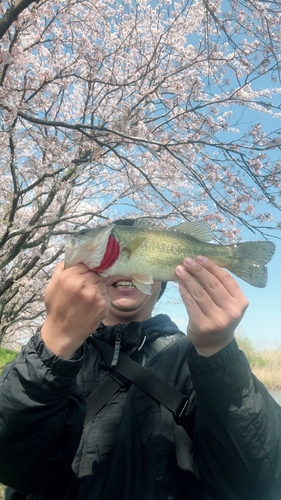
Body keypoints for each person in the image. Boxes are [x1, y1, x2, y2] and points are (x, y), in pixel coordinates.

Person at [0, 220, 280, 500]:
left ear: (163, 283)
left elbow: (259, 478)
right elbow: (12, 463)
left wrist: (219, 352)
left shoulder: (198, 361)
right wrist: (56, 341)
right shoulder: (56, 352)